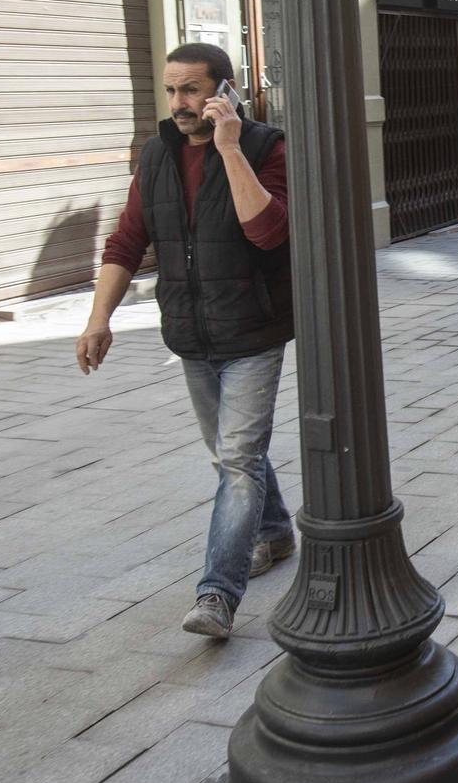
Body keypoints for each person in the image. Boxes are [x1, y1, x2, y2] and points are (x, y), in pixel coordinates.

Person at [75, 43, 296, 639]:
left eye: (193, 89)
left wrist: (228, 149)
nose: (180, 103)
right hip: (192, 331)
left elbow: (269, 231)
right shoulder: (156, 156)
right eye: (172, 90)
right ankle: (275, 533)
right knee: (231, 454)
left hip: (254, 326)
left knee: (237, 460)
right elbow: (125, 243)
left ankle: (217, 594)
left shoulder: (265, 147)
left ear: (226, 91)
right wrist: (100, 318)